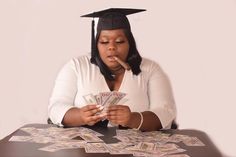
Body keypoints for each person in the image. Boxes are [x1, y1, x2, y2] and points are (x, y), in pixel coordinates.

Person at [48, 8, 176, 131]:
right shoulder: (76, 66)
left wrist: (133, 119)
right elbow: (56, 107)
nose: (111, 47)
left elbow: (165, 111)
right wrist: (80, 116)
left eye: (120, 41)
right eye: (104, 42)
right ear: (96, 44)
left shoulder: (150, 69)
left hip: (133, 149)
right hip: (85, 150)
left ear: (130, 43)